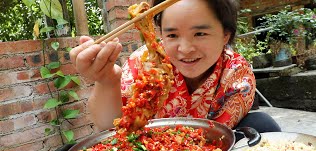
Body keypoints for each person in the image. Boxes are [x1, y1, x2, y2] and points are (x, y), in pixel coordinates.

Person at [70, 0, 281, 140]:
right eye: (172, 35)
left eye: (200, 34)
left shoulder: (237, 75)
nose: (185, 49)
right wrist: (107, 80)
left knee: (263, 124)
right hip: (147, 149)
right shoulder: (142, 63)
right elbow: (112, 131)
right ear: (160, 33)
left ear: (225, 35)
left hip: (202, 150)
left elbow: (215, 140)